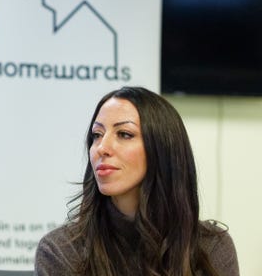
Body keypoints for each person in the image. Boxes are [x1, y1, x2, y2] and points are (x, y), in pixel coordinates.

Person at [35, 86, 239, 276]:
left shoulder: (212, 247)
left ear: (162, 150)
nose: (101, 148)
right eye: (97, 135)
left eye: (124, 134)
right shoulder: (61, 251)